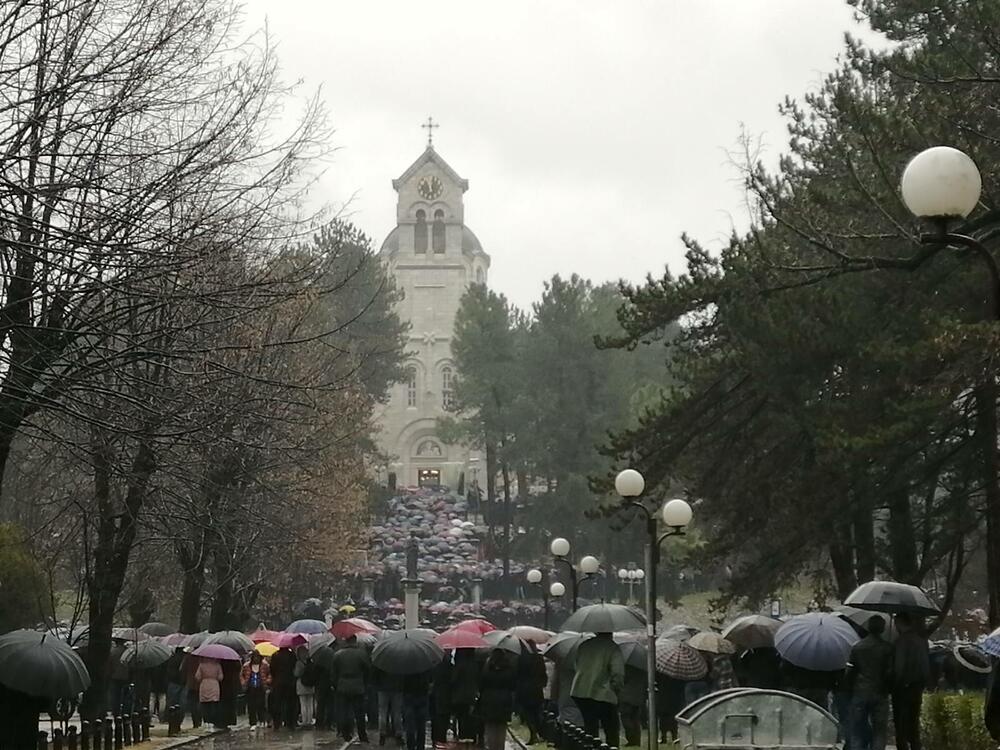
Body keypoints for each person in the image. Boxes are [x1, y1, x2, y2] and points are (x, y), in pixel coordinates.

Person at [570, 631, 624, 749]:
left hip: (581, 690)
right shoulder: (612, 648)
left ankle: (590, 746)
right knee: (611, 728)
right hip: (604, 693)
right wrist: (616, 689)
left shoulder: (584, 645)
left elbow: (576, 665)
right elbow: (618, 673)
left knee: (589, 726)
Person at [846, 615, 893, 750]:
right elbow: (890, 673)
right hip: (880, 692)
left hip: (860, 692)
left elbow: (850, 672)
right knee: (879, 731)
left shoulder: (858, 647)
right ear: (883, 629)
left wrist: (849, 689)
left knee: (857, 729)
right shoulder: (888, 648)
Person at [891, 613, 930, 750]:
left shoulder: (901, 641)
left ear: (900, 623)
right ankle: (916, 746)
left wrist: (896, 683)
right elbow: (926, 666)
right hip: (917, 687)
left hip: (903, 688)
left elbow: (899, 666)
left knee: (901, 724)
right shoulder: (921, 641)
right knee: (914, 723)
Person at [331, 635, 371, 742]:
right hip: (358, 686)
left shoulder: (338, 655)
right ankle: (362, 735)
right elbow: (368, 670)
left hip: (342, 685)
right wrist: (365, 683)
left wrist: (336, 685)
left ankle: (345, 733)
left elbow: (334, 673)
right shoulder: (361, 654)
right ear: (355, 641)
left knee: (344, 711)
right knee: (359, 712)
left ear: (346, 641)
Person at [478, 649, 517, 750]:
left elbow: (481, 683)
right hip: (504, 700)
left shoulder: (487, 667)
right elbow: (513, 684)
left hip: (489, 699)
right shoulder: (509, 667)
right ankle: (500, 747)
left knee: (490, 726)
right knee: (501, 727)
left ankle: (491, 746)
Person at [515, 642, 547, 745]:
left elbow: (517, 674)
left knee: (528, 713)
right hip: (537, 690)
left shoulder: (521, 658)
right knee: (537, 713)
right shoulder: (539, 658)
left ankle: (533, 732)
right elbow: (544, 675)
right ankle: (539, 733)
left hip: (524, 690)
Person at [450, 648, 481, 742]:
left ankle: (462, 734)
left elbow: (453, 680)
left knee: (461, 715)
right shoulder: (476, 664)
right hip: (472, 694)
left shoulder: (460, 665)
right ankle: (472, 734)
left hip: (460, 694)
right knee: (471, 715)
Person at [401, 667, 433, 750]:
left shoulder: (406, 668)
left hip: (409, 698)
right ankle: (420, 747)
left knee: (410, 726)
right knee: (421, 727)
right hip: (422, 698)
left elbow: (402, 683)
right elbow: (430, 681)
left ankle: (411, 746)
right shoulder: (426, 666)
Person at [270, 645, 299, 729]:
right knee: (290, 703)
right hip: (290, 682)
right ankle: (290, 722)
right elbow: (294, 666)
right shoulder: (292, 655)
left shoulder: (275, 655)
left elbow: (272, 669)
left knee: (277, 703)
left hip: (278, 682)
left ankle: (277, 723)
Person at [374, 665, 404, 745]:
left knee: (382, 712)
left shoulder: (381, 661)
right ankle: (398, 734)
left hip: (382, 688)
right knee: (397, 712)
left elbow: (374, 675)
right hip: (397, 688)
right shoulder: (399, 661)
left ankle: (382, 734)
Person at [240, 651, 271, 728]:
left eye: (257, 657)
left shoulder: (265, 665)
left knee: (261, 705)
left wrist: (268, 681)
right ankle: (253, 722)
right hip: (250, 688)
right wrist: (243, 682)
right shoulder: (246, 666)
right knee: (251, 706)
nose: (256, 659)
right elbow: (241, 675)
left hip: (261, 687)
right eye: (254, 657)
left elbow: (270, 674)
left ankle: (262, 721)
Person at [618, 664, 646, 747]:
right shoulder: (643, 669)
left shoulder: (627, 668)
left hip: (626, 696)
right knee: (635, 719)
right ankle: (636, 740)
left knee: (626, 717)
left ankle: (631, 738)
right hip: (638, 697)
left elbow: (622, 679)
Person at [194, 657, 223, 728]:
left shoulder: (201, 665)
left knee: (205, 704)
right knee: (213, 703)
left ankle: (206, 720)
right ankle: (212, 721)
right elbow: (220, 677)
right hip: (214, 685)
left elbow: (197, 676)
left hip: (204, 685)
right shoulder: (217, 665)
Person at [431, 650, 452, 746]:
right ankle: (441, 739)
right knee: (444, 717)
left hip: (436, 693)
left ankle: (435, 738)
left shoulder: (434, 665)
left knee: (436, 717)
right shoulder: (450, 667)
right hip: (446, 694)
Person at [295, 646, 317, 727]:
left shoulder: (299, 663)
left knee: (303, 703)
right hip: (311, 685)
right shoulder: (310, 661)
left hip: (302, 684)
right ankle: (310, 720)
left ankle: (304, 721)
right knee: (310, 703)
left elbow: (297, 674)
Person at [181, 648, 203, 728]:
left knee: (193, 703)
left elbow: (182, 669)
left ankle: (195, 722)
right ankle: (199, 720)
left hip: (190, 683)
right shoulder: (202, 658)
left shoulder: (188, 657)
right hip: (200, 683)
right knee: (199, 702)